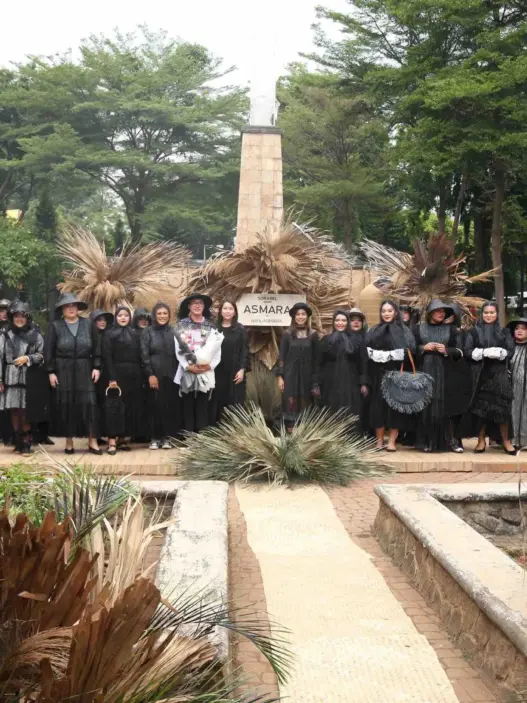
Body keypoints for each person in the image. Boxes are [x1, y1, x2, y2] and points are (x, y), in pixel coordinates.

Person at [44, 293, 102, 454]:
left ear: (78, 308)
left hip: (85, 368)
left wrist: (96, 367)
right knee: (67, 404)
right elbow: (48, 351)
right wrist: (51, 372)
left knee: (89, 403)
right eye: (67, 306)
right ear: (62, 309)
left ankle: (92, 440)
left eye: (73, 305)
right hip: (63, 369)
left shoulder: (88, 324)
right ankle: (69, 442)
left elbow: (97, 347)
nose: (71, 308)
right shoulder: (55, 326)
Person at [464, 302, 515, 454]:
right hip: (480, 374)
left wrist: (501, 352)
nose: (489, 315)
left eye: (492, 312)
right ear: (482, 314)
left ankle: (506, 441)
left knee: (503, 409)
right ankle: (481, 441)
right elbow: (467, 351)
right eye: (486, 312)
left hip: (499, 374)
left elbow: (511, 351)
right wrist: (483, 352)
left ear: (497, 314)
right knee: (481, 411)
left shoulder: (504, 332)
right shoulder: (474, 331)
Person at [413, 299, 464, 452]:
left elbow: (461, 352)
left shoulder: (452, 330)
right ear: (430, 313)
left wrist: (446, 350)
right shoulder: (418, 329)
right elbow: (409, 349)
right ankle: (426, 442)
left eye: (443, 311)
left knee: (444, 407)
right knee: (425, 405)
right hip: (424, 370)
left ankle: (447, 442)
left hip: (445, 373)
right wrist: (423, 348)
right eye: (437, 310)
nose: (441, 313)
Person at [365, 299, 416, 451]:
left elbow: (411, 350)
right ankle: (379, 441)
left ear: (395, 312)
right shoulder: (374, 329)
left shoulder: (404, 330)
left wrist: (393, 354)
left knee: (395, 408)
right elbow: (366, 348)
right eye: (383, 311)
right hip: (378, 374)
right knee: (378, 408)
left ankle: (392, 441)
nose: (386, 313)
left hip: (396, 373)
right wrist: (375, 354)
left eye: (389, 311)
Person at [0, 302, 45, 455]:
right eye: (16, 316)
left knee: (26, 409)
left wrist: (28, 358)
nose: (19, 319)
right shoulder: (5, 335)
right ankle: (17, 440)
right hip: (10, 376)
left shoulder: (36, 335)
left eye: (22, 316)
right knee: (14, 410)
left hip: (29, 377)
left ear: (27, 318)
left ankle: (26, 441)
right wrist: (0, 379)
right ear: (12, 318)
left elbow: (42, 355)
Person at [175, 293, 223, 433]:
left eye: (200, 303)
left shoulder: (211, 326)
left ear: (204, 306)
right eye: (194, 303)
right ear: (189, 306)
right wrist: (187, 366)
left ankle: (201, 436)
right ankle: (188, 435)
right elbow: (177, 348)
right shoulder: (181, 325)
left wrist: (209, 366)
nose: (197, 306)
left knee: (203, 403)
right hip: (187, 371)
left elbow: (217, 350)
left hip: (205, 372)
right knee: (187, 403)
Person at [103, 306, 145, 455]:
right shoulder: (109, 334)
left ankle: (122, 439)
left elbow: (140, 356)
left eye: (126, 315)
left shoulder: (135, 334)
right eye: (120, 315)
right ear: (116, 317)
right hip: (116, 374)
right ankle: (111, 441)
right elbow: (107, 357)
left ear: (130, 318)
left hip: (133, 375)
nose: (123, 318)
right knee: (114, 409)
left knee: (128, 408)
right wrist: (112, 378)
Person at [140, 301, 180, 449]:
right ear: (154, 315)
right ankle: (154, 438)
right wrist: (150, 374)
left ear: (169, 315)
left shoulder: (174, 331)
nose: (162, 316)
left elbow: (180, 353)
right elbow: (144, 355)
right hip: (154, 375)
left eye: (165, 313)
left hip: (171, 374)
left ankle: (167, 438)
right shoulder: (148, 332)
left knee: (169, 406)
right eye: (159, 313)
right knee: (155, 406)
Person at [320, 309, 369, 427]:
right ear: (333, 322)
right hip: (330, 382)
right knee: (331, 408)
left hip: (351, 382)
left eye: (343, 320)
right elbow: (319, 362)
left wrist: (364, 382)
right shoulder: (326, 340)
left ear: (347, 322)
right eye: (337, 320)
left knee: (351, 409)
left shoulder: (357, 340)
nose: (340, 323)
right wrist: (317, 382)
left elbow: (363, 362)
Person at [276, 302, 320, 430]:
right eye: (298, 314)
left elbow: (317, 359)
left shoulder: (313, 334)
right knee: (290, 403)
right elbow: (282, 357)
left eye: (303, 314)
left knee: (306, 402)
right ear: (294, 316)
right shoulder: (287, 334)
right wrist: (280, 377)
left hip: (307, 375)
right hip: (290, 376)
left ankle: (304, 434)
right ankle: (290, 434)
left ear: (307, 316)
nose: (301, 317)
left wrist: (316, 379)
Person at [212, 300, 249, 423]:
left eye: (230, 309)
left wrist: (242, 370)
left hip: (235, 371)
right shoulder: (214, 328)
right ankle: (217, 428)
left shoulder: (240, 329)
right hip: (217, 371)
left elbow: (245, 350)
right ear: (220, 311)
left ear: (235, 312)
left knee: (236, 400)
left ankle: (235, 429)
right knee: (217, 400)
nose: (227, 311)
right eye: (225, 308)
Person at [91, 309, 114, 443]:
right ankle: (96, 435)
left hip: (107, 374)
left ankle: (106, 433)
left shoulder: (109, 335)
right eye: (99, 320)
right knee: (95, 405)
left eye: (104, 320)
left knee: (106, 404)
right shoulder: (90, 336)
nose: (102, 322)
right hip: (93, 374)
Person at [507, 318, 527, 449]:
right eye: (517, 328)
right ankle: (511, 440)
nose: (519, 331)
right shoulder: (509, 348)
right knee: (512, 410)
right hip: (511, 386)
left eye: (523, 329)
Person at [0, 298, 12, 446]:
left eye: (6, 310)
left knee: (8, 403)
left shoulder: (13, 328)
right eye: (1, 310)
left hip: (10, 368)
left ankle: (8, 434)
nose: (3, 313)